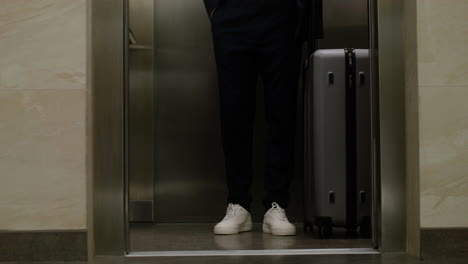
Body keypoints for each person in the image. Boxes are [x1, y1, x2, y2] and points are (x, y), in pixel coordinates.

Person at [204, 0, 319, 236]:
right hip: (232, 15)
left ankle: (277, 203)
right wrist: (215, 8)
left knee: (282, 112)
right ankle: (238, 203)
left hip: (281, 16)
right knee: (234, 112)